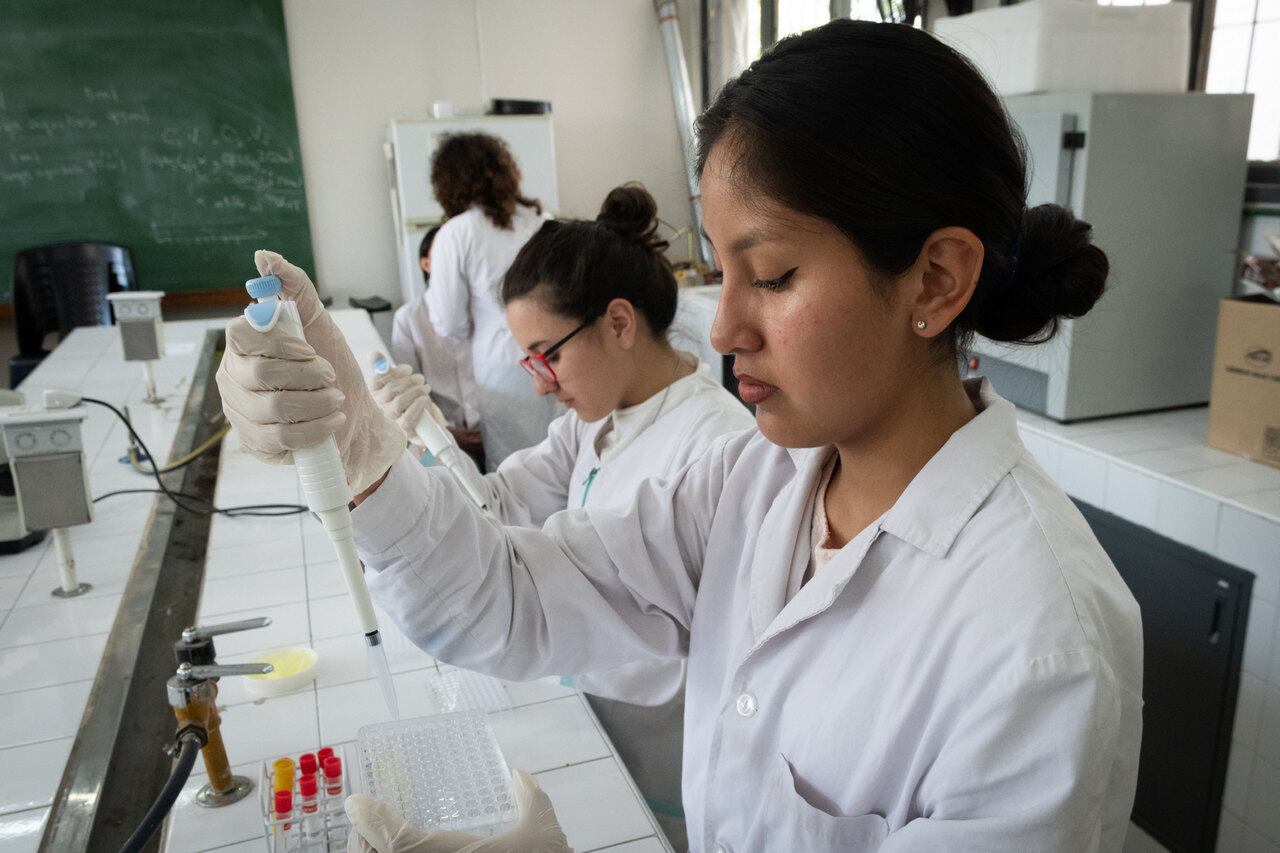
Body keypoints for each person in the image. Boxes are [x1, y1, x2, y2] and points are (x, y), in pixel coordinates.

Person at [218, 20, 1143, 853]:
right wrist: (360, 455)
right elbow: (511, 600)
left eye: (773, 274)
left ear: (936, 280)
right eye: (721, 269)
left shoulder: (1038, 644)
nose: (727, 328)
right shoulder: (756, 481)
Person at [371, 183, 754, 849]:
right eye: (529, 360)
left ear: (618, 323)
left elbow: (539, 585)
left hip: (663, 735)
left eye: (547, 354)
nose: (540, 382)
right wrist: (426, 444)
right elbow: (498, 509)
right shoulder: (597, 421)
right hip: (592, 703)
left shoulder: (716, 445)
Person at [426, 132, 560, 470]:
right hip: (559, 360)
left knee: (516, 473)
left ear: (447, 184)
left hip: (503, 371)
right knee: (564, 459)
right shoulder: (544, 221)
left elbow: (448, 323)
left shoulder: (456, 233)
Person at [390, 224, 484, 461]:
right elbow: (409, 391)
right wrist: (446, 432)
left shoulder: (486, 312)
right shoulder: (408, 318)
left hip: (493, 430)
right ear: (426, 264)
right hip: (441, 435)